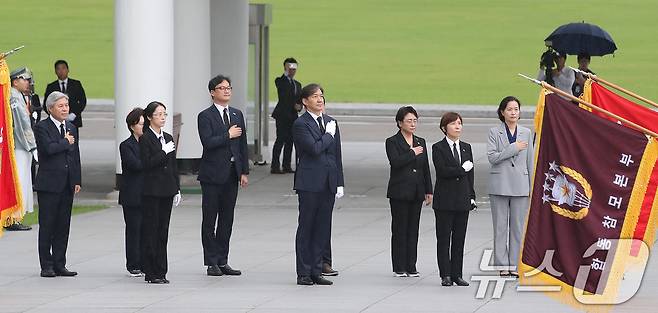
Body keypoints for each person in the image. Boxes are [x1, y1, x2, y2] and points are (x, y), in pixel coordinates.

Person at [197, 75, 249, 277]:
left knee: (227, 219)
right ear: (212, 92)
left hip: (231, 174)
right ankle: (211, 261)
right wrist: (227, 135)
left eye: (229, 88)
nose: (227, 91)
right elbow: (208, 142)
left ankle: (222, 259)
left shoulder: (237, 114)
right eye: (222, 88)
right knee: (210, 219)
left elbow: (242, 146)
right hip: (212, 175)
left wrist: (244, 171)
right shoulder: (205, 116)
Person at [293, 83, 344, 286]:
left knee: (323, 228)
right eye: (315, 96)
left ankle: (316, 270)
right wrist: (328, 135)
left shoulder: (330, 122)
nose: (320, 99)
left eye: (321, 96)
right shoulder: (301, 124)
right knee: (307, 227)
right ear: (305, 101)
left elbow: (336, 155)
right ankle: (303, 272)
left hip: (328, 183)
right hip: (310, 183)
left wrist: (339, 181)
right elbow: (314, 149)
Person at [34, 91, 81, 278]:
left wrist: (77, 179)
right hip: (49, 184)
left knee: (63, 226)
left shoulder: (71, 126)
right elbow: (48, 149)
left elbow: (75, 155)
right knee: (48, 225)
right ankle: (46, 265)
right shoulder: (42, 127)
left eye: (66, 106)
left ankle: (60, 263)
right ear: (50, 108)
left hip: (67, 183)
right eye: (61, 106)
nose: (65, 109)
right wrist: (65, 142)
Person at [487, 96, 534, 278]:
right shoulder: (494, 132)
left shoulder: (526, 133)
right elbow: (492, 158)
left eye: (516, 109)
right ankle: (501, 265)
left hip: (520, 186)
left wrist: (530, 187)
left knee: (517, 227)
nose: (513, 112)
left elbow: (530, 161)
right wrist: (513, 148)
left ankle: (514, 264)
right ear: (502, 112)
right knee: (500, 226)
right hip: (499, 184)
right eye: (510, 109)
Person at [385, 106, 432, 277]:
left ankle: (411, 265)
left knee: (413, 229)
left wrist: (429, 190)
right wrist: (411, 153)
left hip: (417, 191)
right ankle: (399, 266)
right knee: (399, 229)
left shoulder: (421, 141)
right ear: (400, 123)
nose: (412, 124)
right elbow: (395, 162)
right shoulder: (392, 141)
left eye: (415, 120)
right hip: (399, 191)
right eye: (409, 121)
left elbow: (425, 167)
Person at [432, 112, 475, 287]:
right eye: (453, 124)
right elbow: (442, 171)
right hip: (445, 201)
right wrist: (461, 170)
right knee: (444, 239)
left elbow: (470, 175)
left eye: (459, 123)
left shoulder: (466, 147)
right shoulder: (438, 148)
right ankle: (445, 274)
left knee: (459, 239)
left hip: (462, 200)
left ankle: (457, 274)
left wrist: (471, 196)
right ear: (444, 128)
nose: (457, 126)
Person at [139, 101, 181, 284]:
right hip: (152, 190)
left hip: (166, 189)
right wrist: (163, 152)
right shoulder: (145, 138)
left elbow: (173, 166)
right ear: (149, 117)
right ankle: (151, 271)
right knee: (151, 230)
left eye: (164, 114)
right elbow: (146, 164)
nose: (162, 118)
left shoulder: (169, 137)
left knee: (163, 230)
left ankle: (162, 270)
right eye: (158, 114)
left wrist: (176, 188)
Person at [4, 68, 37, 231]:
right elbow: (22, 125)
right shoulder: (14, 96)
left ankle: (14, 216)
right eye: (25, 79)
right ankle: (13, 217)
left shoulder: (16, 95)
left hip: (18, 145)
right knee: (20, 181)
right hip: (20, 145)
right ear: (15, 81)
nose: (28, 82)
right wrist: (32, 146)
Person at [119, 108, 145, 277]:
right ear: (132, 126)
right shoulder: (126, 145)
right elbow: (136, 165)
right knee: (134, 229)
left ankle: (144, 262)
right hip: (132, 194)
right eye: (141, 124)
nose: (144, 127)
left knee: (146, 229)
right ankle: (133, 263)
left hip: (148, 192)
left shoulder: (149, 142)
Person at [270, 57, 302, 174]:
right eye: (290, 68)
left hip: (293, 116)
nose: (292, 71)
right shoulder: (280, 81)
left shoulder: (297, 84)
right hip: (282, 115)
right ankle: (275, 166)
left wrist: (299, 106)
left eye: (294, 68)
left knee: (290, 141)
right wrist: (286, 72)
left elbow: (299, 98)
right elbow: (283, 91)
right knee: (281, 139)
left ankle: (286, 165)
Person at [44, 60, 87, 128]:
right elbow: (46, 104)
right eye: (58, 69)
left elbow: (82, 101)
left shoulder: (76, 84)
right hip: (56, 123)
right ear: (55, 71)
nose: (61, 71)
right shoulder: (51, 87)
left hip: (74, 121)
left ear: (68, 70)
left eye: (63, 68)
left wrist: (74, 114)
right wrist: (56, 115)